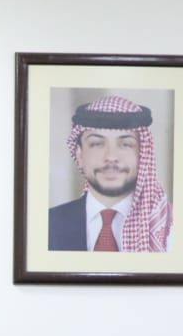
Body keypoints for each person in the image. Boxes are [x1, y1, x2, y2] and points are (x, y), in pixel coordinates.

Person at [47, 95, 172, 252]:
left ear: (143, 154)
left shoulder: (170, 228)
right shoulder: (46, 225)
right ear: (79, 155)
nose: (111, 157)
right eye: (97, 144)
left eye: (125, 144)